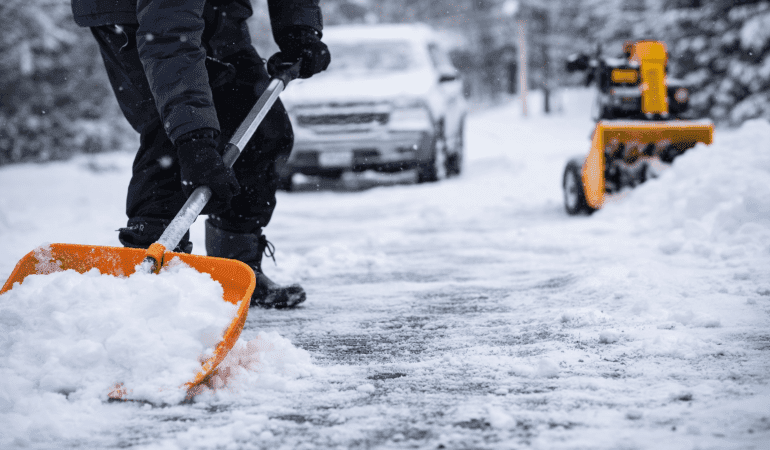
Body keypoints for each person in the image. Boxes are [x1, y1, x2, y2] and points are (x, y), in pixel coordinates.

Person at [70, 0, 330, 308]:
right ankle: (154, 282)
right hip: (133, 14)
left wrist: (298, 29)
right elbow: (168, 35)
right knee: (171, 139)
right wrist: (194, 139)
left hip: (218, 8)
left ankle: (236, 271)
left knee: (263, 129)